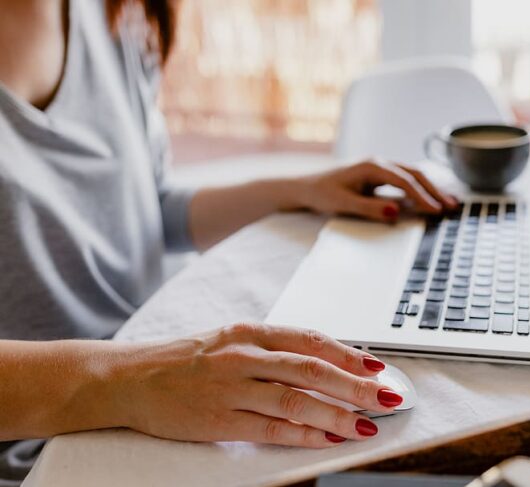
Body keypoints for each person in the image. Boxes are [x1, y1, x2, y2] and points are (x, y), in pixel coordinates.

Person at [0, 0, 457, 482]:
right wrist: (133, 379)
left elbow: (150, 207)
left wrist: (301, 190)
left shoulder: (112, 14)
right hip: (42, 441)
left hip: (151, 375)